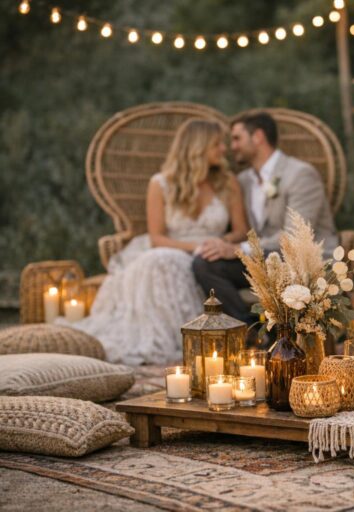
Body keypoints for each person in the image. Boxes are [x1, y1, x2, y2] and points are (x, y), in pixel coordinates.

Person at [67, 119, 248, 365]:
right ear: (198, 147)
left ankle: (183, 338)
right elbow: (157, 238)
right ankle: (166, 337)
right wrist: (194, 248)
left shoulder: (227, 183)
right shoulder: (160, 183)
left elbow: (240, 231)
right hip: (171, 249)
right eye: (217, 144)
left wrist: (219, 242)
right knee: (159, 260)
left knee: (173, 261)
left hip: (210, 254)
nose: (223, 149)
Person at [193, 112, 338, 323]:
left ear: (258, 137)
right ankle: (246, 330)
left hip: (303, 261)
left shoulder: (300, 174)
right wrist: (218, 245)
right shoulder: (242, 180)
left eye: (237, 138)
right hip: (264, 262)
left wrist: (239, 250)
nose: (231, 147)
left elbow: (295, 238)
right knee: (204, 264)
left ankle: (269, 337)